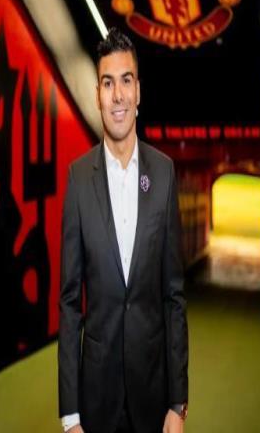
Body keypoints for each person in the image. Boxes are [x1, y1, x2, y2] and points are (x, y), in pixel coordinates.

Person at [58, 27, 188, 433]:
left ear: (139, 92)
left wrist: (178, 403)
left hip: (154, 396)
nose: (118, 95)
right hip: (97, 399)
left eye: (126, 81)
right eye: (108, 83)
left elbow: (173, 297)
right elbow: (69, 303)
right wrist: (70, 415)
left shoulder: (164, 174)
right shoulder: (79, 178)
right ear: (97, 95)